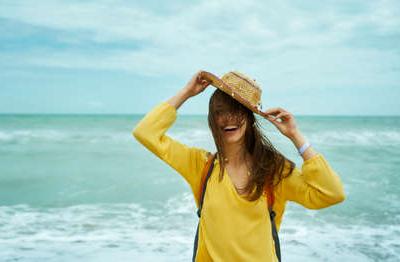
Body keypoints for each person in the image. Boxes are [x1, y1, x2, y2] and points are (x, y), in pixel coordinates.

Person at [132, 70, 345, 262]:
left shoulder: (272, 169)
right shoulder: (200, 165)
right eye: (220, 112)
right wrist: (187, 92)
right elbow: (145, 133)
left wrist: (295, 136)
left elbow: (331, 193)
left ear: (249, 117)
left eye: (237, 110)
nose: (227, 119)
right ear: (212, 119)